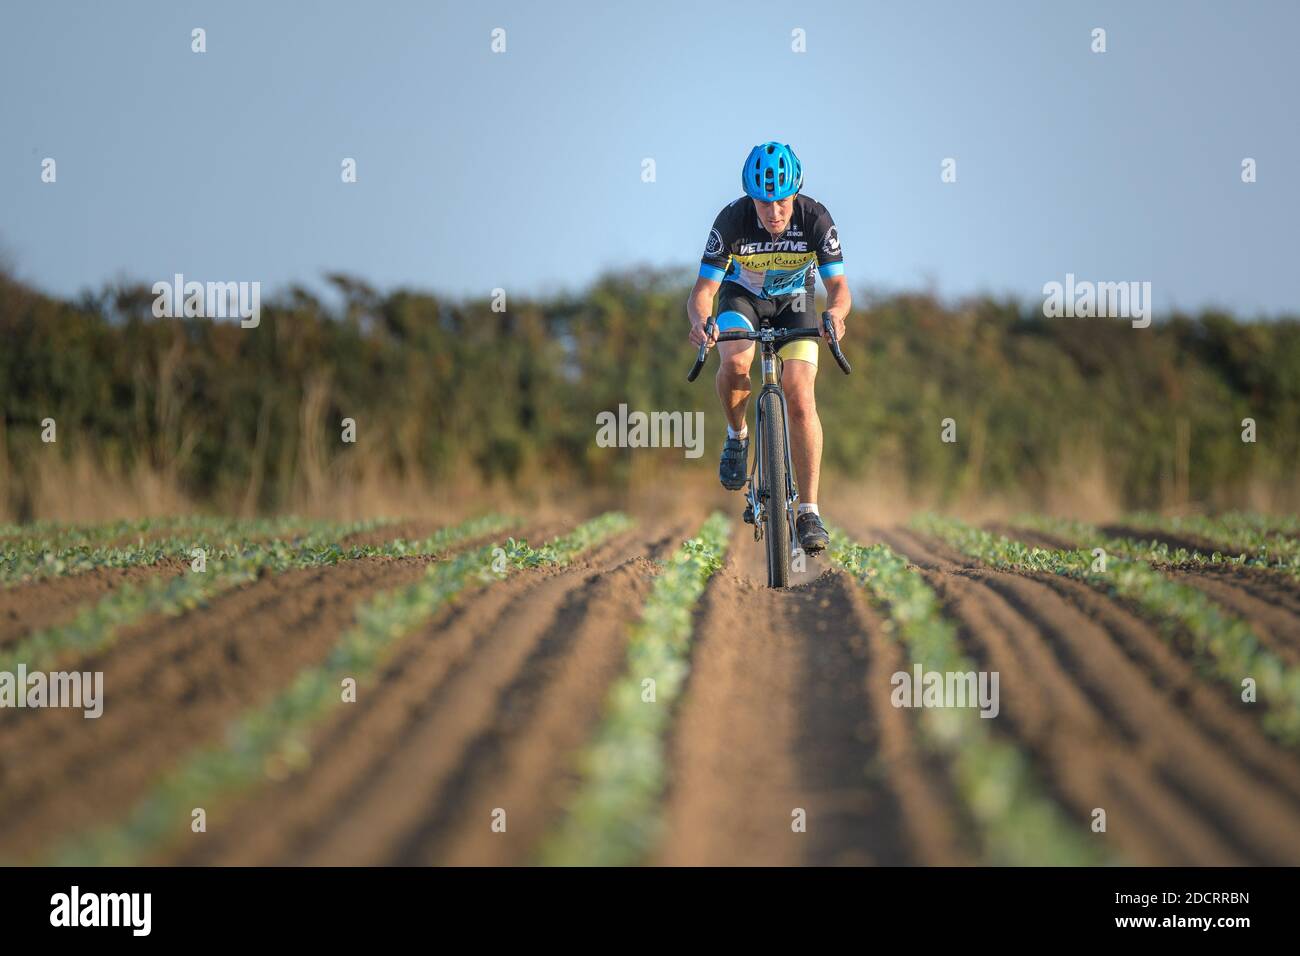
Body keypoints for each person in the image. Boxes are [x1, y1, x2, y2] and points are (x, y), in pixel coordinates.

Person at [687, 142, 851, 554]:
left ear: (795, 194)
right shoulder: (731, 219)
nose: (773, 213)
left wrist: (835, 316)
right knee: (738, 360)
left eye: (780, 202)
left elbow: (839, 288)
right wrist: (701, 323)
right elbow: (704, 291)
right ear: (751, 199)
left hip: (796, 302)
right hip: (741, 296)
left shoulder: (816, 218)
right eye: (763, 204)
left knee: (799, 396)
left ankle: (809, 511)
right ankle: (737, 435)